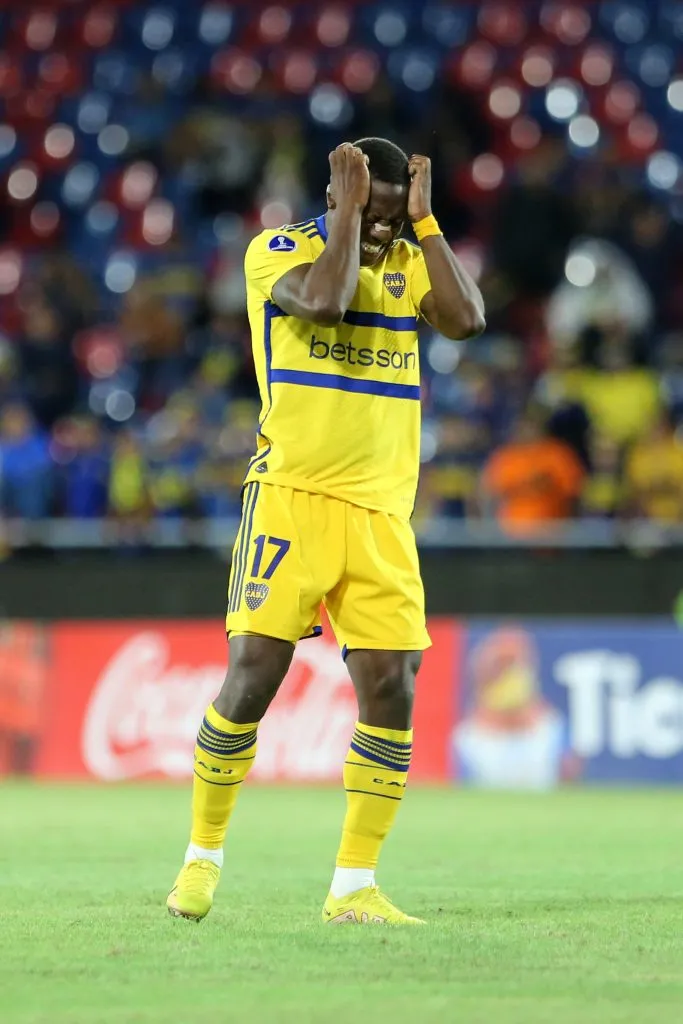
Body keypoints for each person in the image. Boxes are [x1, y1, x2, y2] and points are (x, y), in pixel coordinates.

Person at [166, 138, 485, 925]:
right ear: (339, 197)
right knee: (252, 679)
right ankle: (200, 861)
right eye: (370, 214)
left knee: (392, 687)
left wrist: (424, 221)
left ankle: (353, 886)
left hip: (381, 511)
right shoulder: (278, 251)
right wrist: (348, 216)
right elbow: (323, 302)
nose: (382, 232)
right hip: (290, 498)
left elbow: (468, 320)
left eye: (389, 216)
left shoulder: (409, 259)